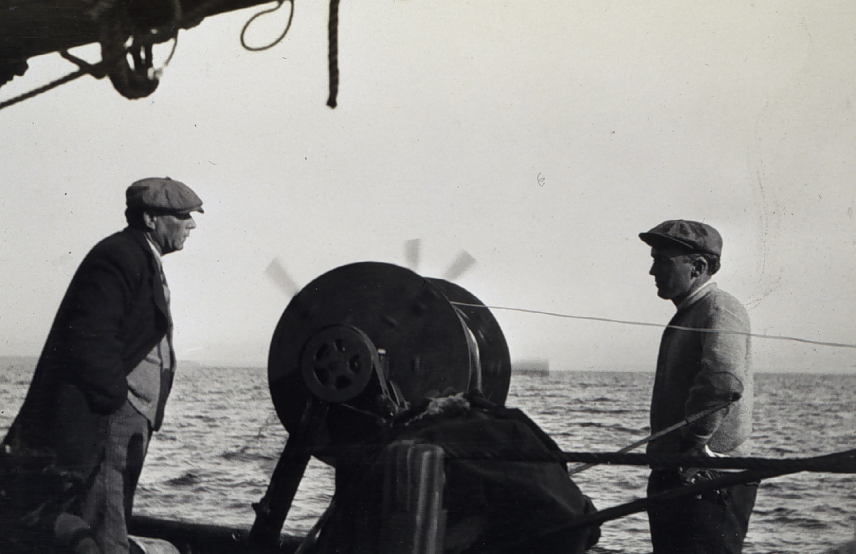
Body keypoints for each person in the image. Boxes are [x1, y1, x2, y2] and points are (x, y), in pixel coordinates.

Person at [1, 177, 203, 554]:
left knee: (111, 516)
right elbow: (91, 336)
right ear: (151, 219)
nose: (192, 224)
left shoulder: (140, 256)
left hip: (131, 416)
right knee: (106, 526)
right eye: (182, 215)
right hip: (116, 416)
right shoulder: (120, 256)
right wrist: (116, 399)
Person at [639, 219, 756, 554]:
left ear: (699, 267)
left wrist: (692, 446)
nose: (652, 271)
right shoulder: (692, 312)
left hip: (708, 481)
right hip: (681, 477)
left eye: (662, 260)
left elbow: (722, 383)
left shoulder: (720, 308)